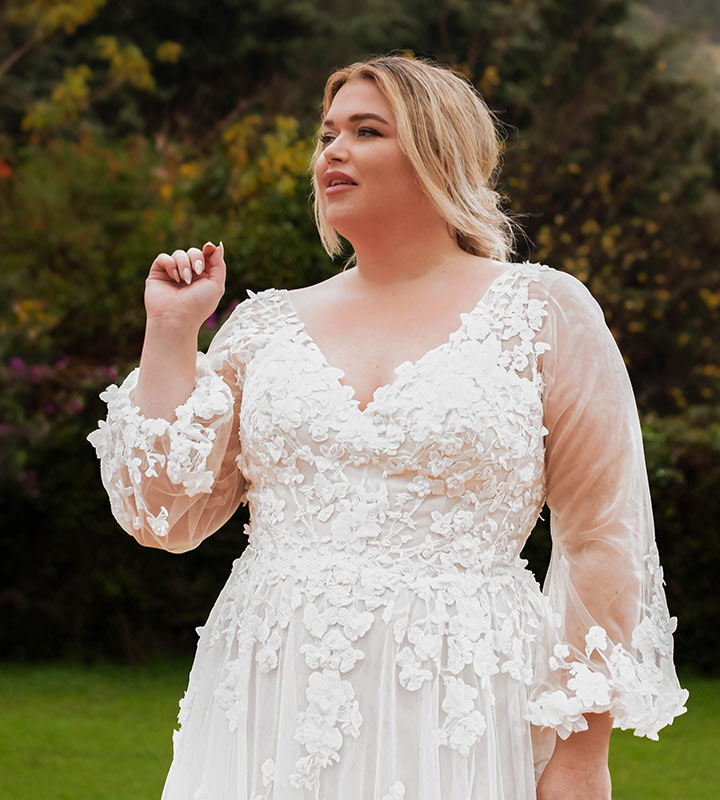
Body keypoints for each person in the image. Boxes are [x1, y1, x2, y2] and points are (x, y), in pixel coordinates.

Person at [86, 54, 688, 800]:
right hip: (271, 690)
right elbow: (163, 516)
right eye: (327, 134)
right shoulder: (263, 329)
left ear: (439, 153)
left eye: (366, 131)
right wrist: (172, 332)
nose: (332, 151)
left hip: (463, 695)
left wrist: (581, 752)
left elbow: (602, 539)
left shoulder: (544, 313)